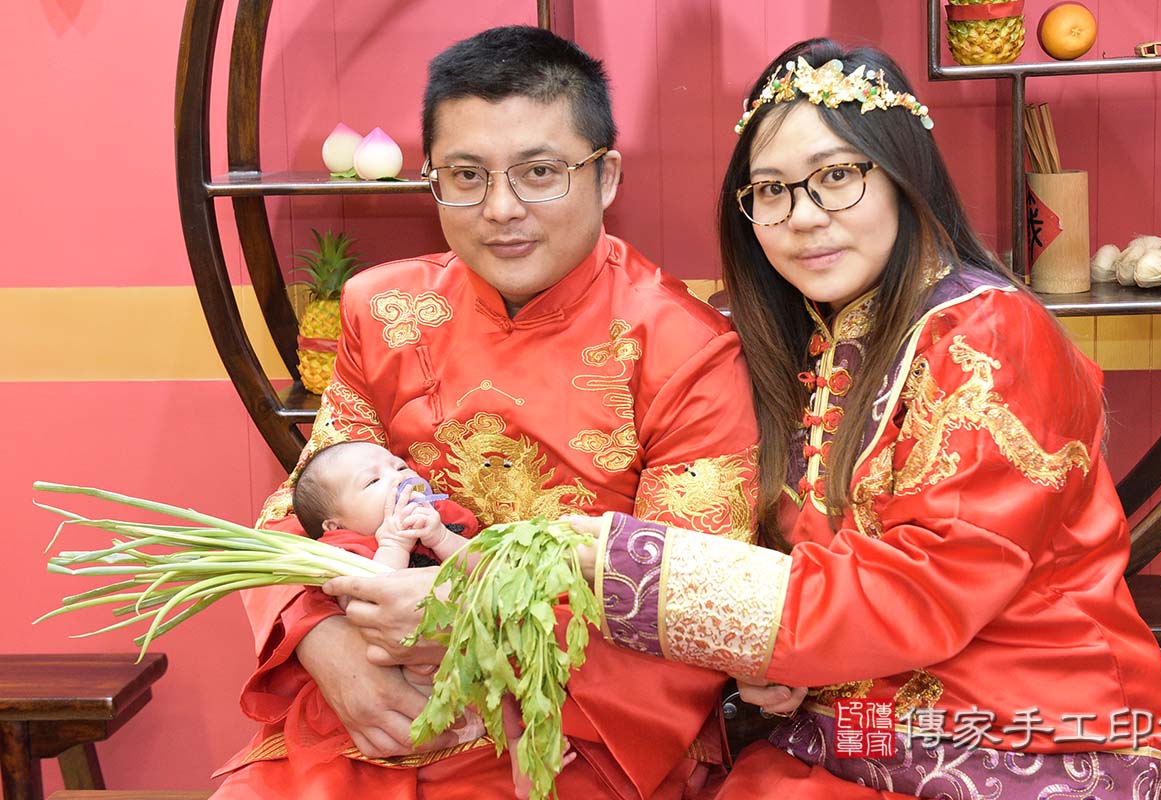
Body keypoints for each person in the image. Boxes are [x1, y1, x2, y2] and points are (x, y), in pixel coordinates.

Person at [555, 39, 1161, 798]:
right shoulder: (782, 338)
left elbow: (928, 589)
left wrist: (635, 570)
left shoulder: (988, 335)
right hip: (842, 733)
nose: (802, 217)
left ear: (903, 178)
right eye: (771, 190)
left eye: (836, 177)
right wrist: (772, 663)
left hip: (1027, 740)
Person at [212, 24, 759, 800]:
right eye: (465, 175)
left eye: (539, 172)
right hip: (371, 701)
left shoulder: (686, 346)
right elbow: (301, 507)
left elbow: (692, 593)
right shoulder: (384, 309)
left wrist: (473, 622)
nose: (500, 209)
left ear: (605, 176)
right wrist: (322, 643)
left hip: (568, 726)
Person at [291, 440, 471, 568]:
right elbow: (365, 602)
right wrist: (393, 546)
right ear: (336, 527)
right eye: (373, 481)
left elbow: (485, 569)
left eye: (401, 467)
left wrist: (442, 538)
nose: (399, 477)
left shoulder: (437, 515)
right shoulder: (343, 552)